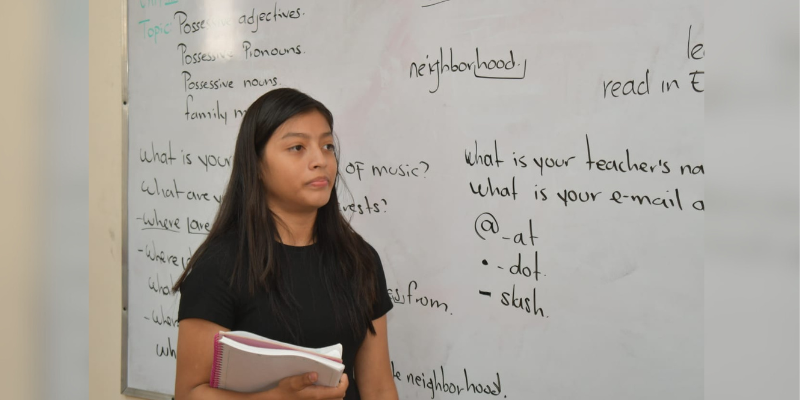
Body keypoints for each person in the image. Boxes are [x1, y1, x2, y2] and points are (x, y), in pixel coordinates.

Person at [172, 88, 398, 400]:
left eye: (328, 145)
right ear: (257, 166)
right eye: (297, 147)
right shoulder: (221, 266)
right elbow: (190, 394)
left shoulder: (359, 260)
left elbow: (379, 387)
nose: (320, 160)